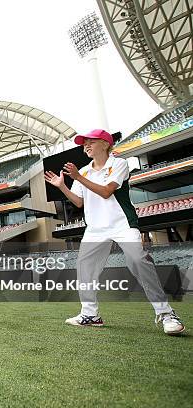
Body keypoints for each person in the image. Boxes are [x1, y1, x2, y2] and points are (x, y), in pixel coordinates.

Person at [44, 129, 185, 336]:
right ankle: (90, 315)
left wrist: (77, 178)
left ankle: (166, 314)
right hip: (95, 229)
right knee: (84, 268)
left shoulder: (118, 164)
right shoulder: (82, 171)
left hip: (122, 224)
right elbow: (79, 202)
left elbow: (106, 192)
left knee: (137, 260)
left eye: (91, 142)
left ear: (105, 143)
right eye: (84, 144)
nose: (86, 146)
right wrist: (63, 186)